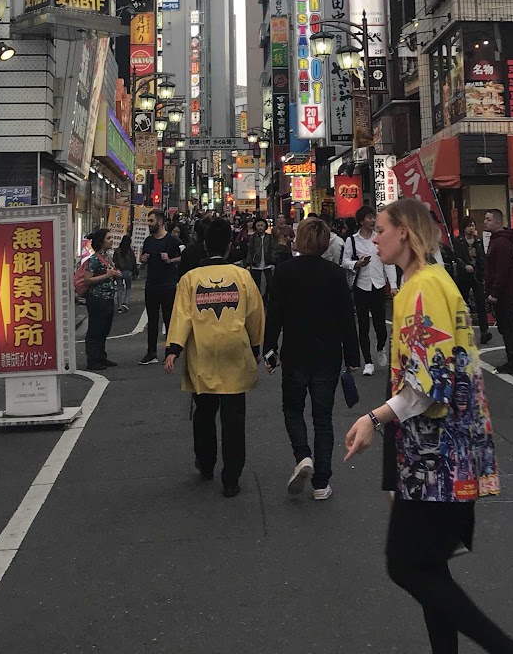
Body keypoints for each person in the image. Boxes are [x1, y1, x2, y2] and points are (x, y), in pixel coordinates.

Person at [344, 198, 513, 654]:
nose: (375, 237)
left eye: (382, 229)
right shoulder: (429, 282)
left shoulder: (422, 289)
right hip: (440, 450)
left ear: (406, 233)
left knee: (407, 564)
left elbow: (426, 382)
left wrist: (373, 419)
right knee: (428, 567)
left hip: (437, 454)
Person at [165, 218, 264, 497]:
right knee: (234, 420)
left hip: (203, 353)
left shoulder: (190, 279)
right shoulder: (242, 277)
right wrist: (256, 347)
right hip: (235, 352)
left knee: (204, 414)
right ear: (230, 245)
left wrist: (174, 349)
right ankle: (231, 478)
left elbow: (182, 316)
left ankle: (206, 463)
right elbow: (255, 315)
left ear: (205, 245)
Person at [264, 216, 360, 500]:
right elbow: (347, 317)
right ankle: (321, 483)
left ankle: (303, 455)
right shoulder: (335, 274)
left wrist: (270, 350)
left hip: (295, 351)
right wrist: (352, 355)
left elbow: (274, 314)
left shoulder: (285, 271)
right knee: (323, 419)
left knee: (293, 409)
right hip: (327, 354)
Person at [342, 205, 394, 375]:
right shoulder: (352, 240)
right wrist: (357, 263)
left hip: (378, 285)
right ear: (360, 221)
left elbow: (388, 263)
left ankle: (380, 347)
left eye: (373, 217)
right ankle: (368, 362)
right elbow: (345, 261)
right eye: (369, 217)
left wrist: (393, 285)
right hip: (361, 285)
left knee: (381, 325)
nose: (372, 220)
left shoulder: (380, 238)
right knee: (363, 325)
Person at [482, 210, 513, 375]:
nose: (485, 222)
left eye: (488, 219)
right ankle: (512, 360)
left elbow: (502, 271)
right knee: (506, 327)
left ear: (498, 222)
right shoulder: (500, 240)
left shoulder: (501, 243)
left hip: (505, 294)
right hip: (506, 292)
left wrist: (495, 293)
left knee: (508, 327)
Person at [138, 211, 181, 364]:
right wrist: (143, 259)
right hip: (151, 284)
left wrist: (170, 260)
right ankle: (151, 352)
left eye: (151, 221)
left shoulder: (173, 240)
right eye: (148, 221)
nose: (149, 224)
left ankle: (170, 352)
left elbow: (185, 256)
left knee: (169, 319)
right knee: (152, 320)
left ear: (160, 222)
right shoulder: (148, 241)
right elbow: (142, 260)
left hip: (168, 285)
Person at [80, 228, 120, 370]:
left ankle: (101, 356)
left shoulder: (107, 257)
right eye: (108, 238)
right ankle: (93, 359)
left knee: (104, 328)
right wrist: (106, 275)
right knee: (96, 329)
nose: (111, 241)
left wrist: (114, 274)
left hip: (108, 297)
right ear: (101, 242)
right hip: (97, 298)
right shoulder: (94, 258)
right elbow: (87, 279)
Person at [451, 218, 492, 344]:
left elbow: (482, 257)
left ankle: (484, 331)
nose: (472, 228)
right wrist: (464, 266)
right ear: (464, 228)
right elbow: (455, 256)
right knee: (462, 302)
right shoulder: (458, 241)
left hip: (477, 276)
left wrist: (482, 272)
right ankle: (460, 330)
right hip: (463, 276)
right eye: (469, 226)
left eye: (473, 225)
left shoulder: (478, 241)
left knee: (481, 302)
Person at [246, 216, 274, 295]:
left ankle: (266, 298)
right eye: (258, 226)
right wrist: (248, 263)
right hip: (256, 263)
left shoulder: (269, 237)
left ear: (265, 226)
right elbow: (250, 250)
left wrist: (273, 262)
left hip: (267, 262)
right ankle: (258, 298)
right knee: (256, 283)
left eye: (262, 225)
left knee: (270, 283)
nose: (260, 227)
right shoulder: (253, 237)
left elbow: (272, 249)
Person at [112, 233, 135, 313]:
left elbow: (114, 261)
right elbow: (133, 262)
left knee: (120, 289)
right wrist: (134, 271)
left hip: (119, 271)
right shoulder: (130, 251)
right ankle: (126, 302)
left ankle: (119, 306)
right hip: (128, 271)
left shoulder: (117, 251)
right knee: (128, 287)